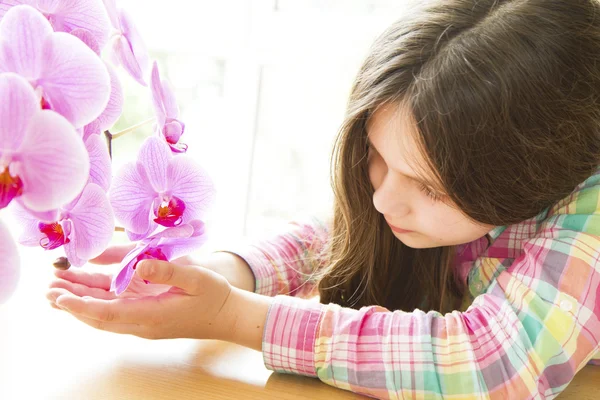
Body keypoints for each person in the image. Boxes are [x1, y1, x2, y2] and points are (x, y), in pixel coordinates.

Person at [46, 0, 600, 398]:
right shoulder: (413, 189)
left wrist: (232, 317)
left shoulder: (590, 223)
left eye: (430, 187)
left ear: (535, 175)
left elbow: (489, 364)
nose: (384, 198)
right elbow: (343, 232)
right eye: (377, 154)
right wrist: (218, 273)